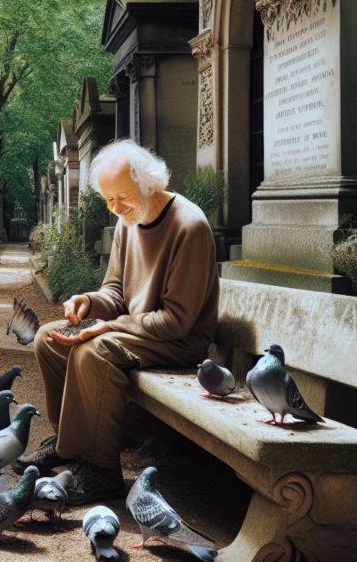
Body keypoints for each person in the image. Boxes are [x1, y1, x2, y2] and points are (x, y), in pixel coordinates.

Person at [14, 139, 219, 505]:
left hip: (179, 340)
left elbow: (177, 321)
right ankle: (69, 447)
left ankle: (100, 470)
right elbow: (116, 292)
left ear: (148, 183)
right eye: (108, 200)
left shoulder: (189, 226)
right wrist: (89, 302)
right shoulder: (129, 220)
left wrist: (109, 326)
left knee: (94, 351)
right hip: (142, 330)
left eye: (121, 196)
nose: (115, 208)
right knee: (49, 336)